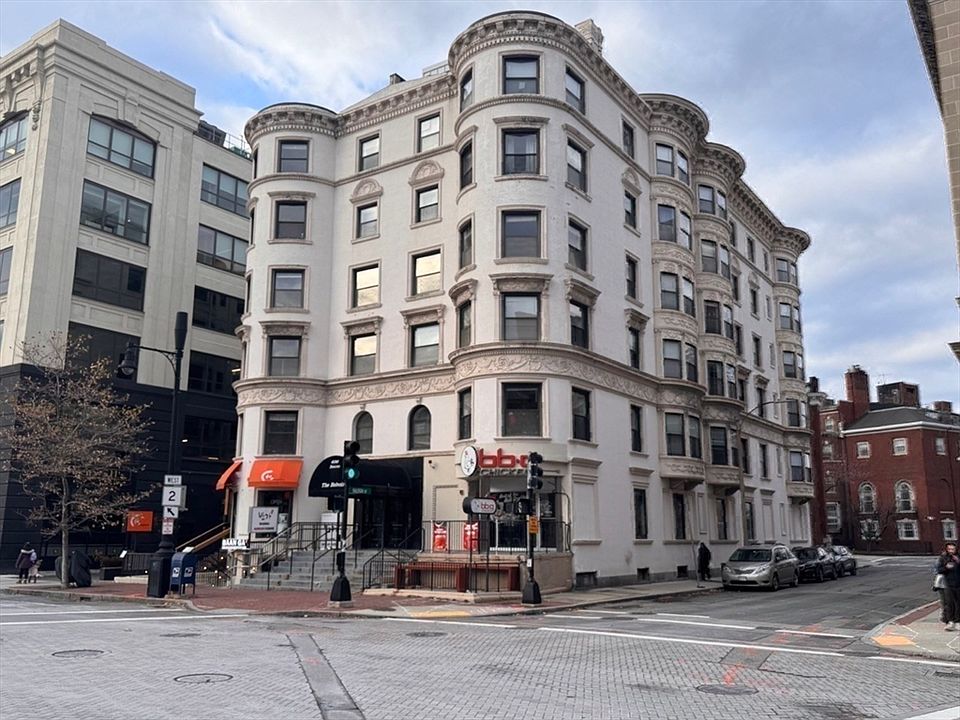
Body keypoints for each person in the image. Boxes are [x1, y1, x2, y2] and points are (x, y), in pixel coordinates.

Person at [935, 541, 960, 631]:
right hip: (948, 584)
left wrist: (958, 562)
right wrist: (946, 567)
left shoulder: (958, 557)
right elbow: (939, 570)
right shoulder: (943, 558)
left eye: (953, 549)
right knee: (949, 603)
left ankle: (958, 621)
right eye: (949, 549)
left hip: (958, 583)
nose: (951, 551)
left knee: (958, 604)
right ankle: (950, 621)